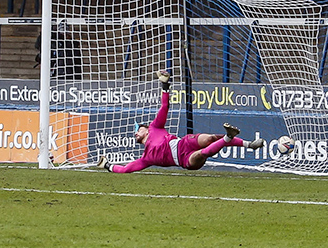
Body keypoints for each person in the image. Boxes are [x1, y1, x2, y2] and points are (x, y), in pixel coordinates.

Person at [99, 71, 264, 173]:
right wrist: (107, 165)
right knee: (203, 153)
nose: (136, 133)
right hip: (184, 159)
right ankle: (228, 136)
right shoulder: (146, 158)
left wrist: (165, 85)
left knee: (210, 139)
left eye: (138, 129)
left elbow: (165, 106)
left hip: (184, 143)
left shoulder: (155, 127)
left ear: (146, 129)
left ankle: (249, 144)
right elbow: (126, 169)